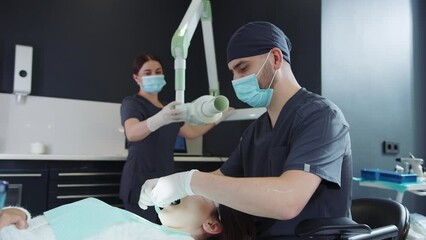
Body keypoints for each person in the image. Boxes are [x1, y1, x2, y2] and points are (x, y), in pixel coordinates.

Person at [139, 21, 353, 238]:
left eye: (242, 68)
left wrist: (189, 181)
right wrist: (169, 190)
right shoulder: (256, 131)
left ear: (276, 58)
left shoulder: (322, 118)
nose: (236, 80)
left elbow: (288, 201)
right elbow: (219, 179)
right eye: (232, 72)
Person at [120, 53, 233, 223]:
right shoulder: (132, 103)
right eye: (148, 73)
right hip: (138, 180)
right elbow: (132, 133)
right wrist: (159, 118)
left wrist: (218, 117)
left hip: (165, 179)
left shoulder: (170, 108)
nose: (154, 76)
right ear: (137, 78)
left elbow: (192, 132)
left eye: (158, 71)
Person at [0, 196, 252, 240]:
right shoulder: (151, 229)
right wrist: (20, 214)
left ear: (211, 224)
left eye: (202, 189)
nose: (186, 187)